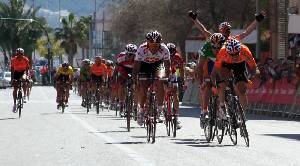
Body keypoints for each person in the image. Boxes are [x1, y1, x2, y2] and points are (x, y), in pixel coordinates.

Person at [211, 38, 260, 119]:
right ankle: (223, 105)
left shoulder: (245, 50)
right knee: (222, 82)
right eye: (232, 54)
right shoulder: (222, 52)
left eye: (236, 54)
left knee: (241, 89)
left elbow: (254, 67)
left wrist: (256, 74)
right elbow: (214, 71)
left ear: (239, 50)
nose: (234, 56)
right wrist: (216, 85)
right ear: (227, 52)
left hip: (239, 64)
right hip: (226, 64)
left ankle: (242, 114)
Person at [133, 30, 171, 126]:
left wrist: (166, 78)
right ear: (148, 43)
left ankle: (160, 109)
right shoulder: (141, 49)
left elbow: (167, 66)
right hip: (144, 66)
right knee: (143, 88)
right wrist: (135, 81)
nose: (154, 47)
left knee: (160, 82)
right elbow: (136, 67)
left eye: (156, 44)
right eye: (152, 44)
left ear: (160, 43)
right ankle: (141, 110)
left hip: (158, 66)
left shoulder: (164, 49)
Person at [195, 33, 226, 128]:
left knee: (225, 84)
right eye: (214, 47)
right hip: (209, 64)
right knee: (208, 85)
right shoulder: (206, 47)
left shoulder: (227, 48)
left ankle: (223, 108)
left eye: (218, 47)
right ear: (210, 45)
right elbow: (199, 67)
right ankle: (204, 111)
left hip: (222, 64)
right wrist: (201, 82)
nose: (216, 50)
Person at [188, 10, 265, 40]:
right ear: (220, 30)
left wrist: (256, 21)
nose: (227, 31)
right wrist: (195, 19)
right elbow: (204, 30)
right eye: (225, 29)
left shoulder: (233, 39)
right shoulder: (215, 38)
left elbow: (246, 32)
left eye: (228, 29)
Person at [114, 44, 137, 115]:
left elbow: (140, 70)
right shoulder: (121, 57)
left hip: (134, 69)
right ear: (125, 53)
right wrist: (114, 76)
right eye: (128, 55)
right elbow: (117, 68)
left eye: (132, 55)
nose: (130, 57)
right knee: (121, 84)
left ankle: (135, 104)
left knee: (137, 85)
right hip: (123, 69)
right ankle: (121, 102)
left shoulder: (137, 58)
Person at [166, 43, 185, 129]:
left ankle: (176, 117)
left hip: (173, 73)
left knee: (175, 93)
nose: (171, 57)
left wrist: (181, 79)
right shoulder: (163, 56)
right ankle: (163, 106)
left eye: (172, 55)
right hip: (163, 72)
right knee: (163, 88)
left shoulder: (178, 57)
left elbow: (181, 68)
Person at [10, 48, 30, 113]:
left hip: (23, 72)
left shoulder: (26, 59)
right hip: (16, 72)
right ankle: (15, 104)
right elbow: (12, 69)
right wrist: (12, 78)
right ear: (16, 54)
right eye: (18, 54)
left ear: (23, 54)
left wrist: (27, 77)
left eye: (21, 54)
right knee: (15, 88)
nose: (19, 55)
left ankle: (24, 96)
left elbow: (27, 69)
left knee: (24, 80)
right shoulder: (13, 60)